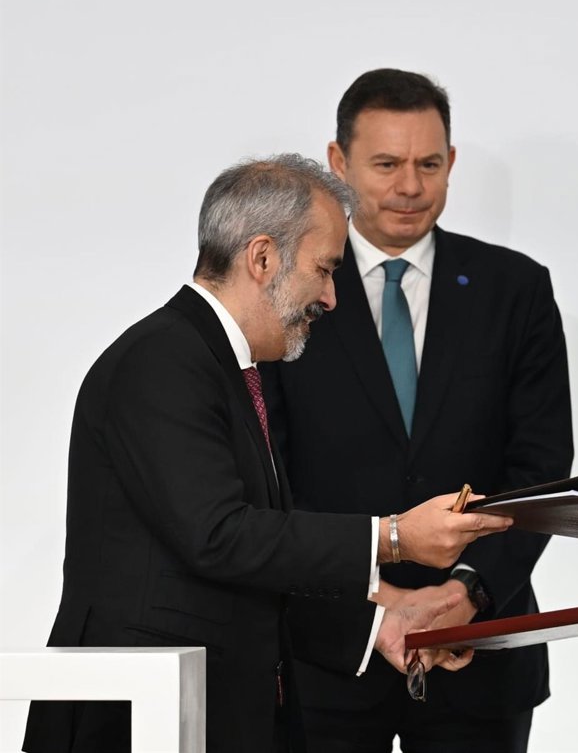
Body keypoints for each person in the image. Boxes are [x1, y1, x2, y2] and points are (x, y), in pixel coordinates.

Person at [22, 155, 512, 753]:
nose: (332, 297)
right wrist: (392, 538)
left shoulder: (220, 367)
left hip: (203, 712)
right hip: (138, 722)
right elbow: (219, 537)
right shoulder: (161, 361)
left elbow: (245, 570)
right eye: (324, 269)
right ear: (261, 258)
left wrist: (381, 628)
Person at [259, 69, 573, 753]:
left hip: (479, 653)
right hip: (327, 653)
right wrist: (372, 598)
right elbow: (270, 470)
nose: (410, 186)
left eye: (429, 164)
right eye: (386, 164)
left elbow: (542, 467)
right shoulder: (287, 286)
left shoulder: (515, 288)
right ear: (338, 162)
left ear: (451, 162)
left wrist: (466, 592)